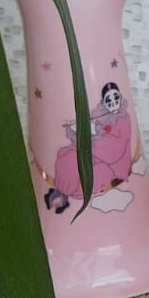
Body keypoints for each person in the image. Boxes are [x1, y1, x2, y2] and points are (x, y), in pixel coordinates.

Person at [44, 82, 133, 213]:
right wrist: (79, 129)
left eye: (116, 98)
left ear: (120, 97)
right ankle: (61, 192)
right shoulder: (100, 114)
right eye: (109, 100)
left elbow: (115, 149)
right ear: (104, 101)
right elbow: (93, 129)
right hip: (93, 152)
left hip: (111, 163)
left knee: (88, 172)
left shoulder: (123, 119)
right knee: (68, 157)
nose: (113, 102)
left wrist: (91, 135)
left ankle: (64, 194)